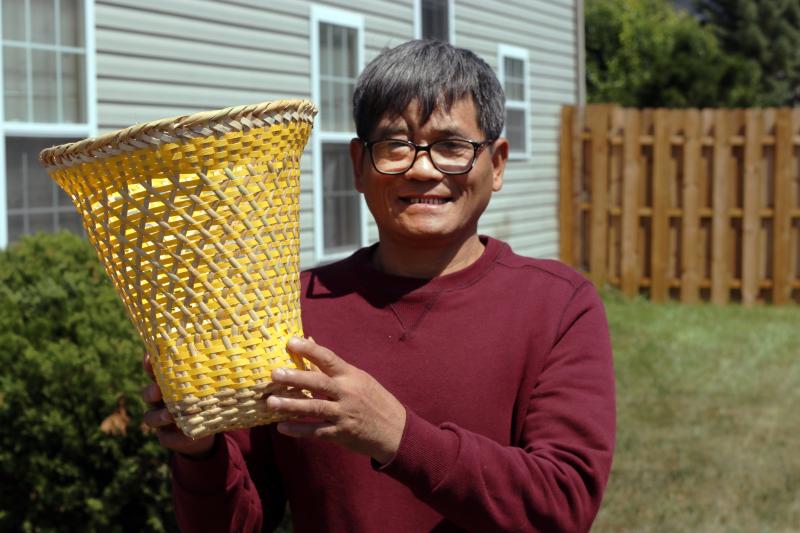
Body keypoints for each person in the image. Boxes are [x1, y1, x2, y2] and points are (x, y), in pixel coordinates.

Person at [142, 39, 615, 533]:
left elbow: (563, 504)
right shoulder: (290, 310)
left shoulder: (559, 305)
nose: (423, 168)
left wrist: (395, 434)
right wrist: (201, 454)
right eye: (396, 145)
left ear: (495, 164)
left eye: (452, 146)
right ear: (358, 165)